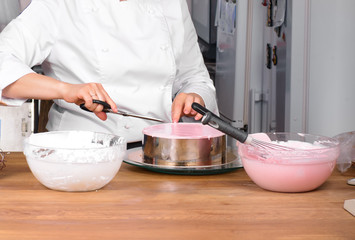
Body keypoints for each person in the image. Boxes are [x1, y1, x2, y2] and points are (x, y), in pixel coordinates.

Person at [0, 0, 218, 145]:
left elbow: (196, 77)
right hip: (83, 153)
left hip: (160, 153)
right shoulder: (60, 4)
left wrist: (195, 97)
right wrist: (65, 90)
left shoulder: (171, 3)